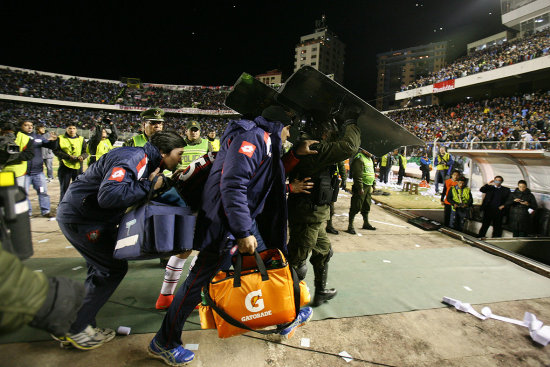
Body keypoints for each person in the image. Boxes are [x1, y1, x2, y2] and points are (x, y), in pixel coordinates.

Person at [150, 106, 314, 366]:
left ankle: (286, 315)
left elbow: (266, 175)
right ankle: (164, 341)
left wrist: (294, 154)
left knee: (272, 263)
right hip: (225, 225)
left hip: (240, 221)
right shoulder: (251, 138)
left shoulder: (264, 140)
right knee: (196, 282)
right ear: (277, 125)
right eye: (288, 128)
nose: (288, 133)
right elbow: (233, 185)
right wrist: (241, 231)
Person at [55, 130, 186, 350]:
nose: (181, 158)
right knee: (111, 269)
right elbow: (109, 196)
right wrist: (150, 186)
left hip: (88, 217)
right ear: (163, 152)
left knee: (99, 270)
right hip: (83, 219)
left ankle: (76, 324)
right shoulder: (134, 157)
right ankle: (75, 328)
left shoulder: (147, 161)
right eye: (179, 153)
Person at [287, 113, 360, 308]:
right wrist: (351, 122)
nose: (331, 134)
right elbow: (349, 147)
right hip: (307, 216)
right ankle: (287, 306)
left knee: (323, 252)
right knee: (296, 263)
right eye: (328, 130)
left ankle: (320, 292)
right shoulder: (313, 149)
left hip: (314, 215)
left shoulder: (311, 146)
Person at [19, 120, 57, 217]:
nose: (29, 127)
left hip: (38, 171)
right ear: (21, 126)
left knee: (42, 192)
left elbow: (49, 145)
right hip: (23, 172)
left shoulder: (38, 137)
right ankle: (27, 213)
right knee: (23, 194)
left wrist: (53, 141)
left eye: (31, 125)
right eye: (26, 125)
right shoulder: (18, 137)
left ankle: (46, 211)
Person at [53, 123, 88, 202]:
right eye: (70, 128)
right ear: (66, 129)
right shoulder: (60, 138)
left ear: (76, 129)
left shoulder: (81, 139)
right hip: (65, 167)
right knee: (64, 188)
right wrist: (68, 157)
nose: (72, 130)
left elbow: (86, 152)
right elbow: (56, 151)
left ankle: (77, 205)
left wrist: (82, 156)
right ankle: (63, 206)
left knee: (78, 188)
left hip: (78, 167)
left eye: (73, 128)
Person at [347, 147, 376, 234]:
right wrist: (360, 188)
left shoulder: (370, 159)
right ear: (364, 150)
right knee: (356, 206)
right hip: (361, 187)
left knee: (367, 205)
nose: (371, 153)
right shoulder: (359, 159)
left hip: (368, 186)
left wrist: (373, 185)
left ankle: (366, 223)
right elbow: (357, 175)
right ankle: (350, 226)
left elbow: (372, 173)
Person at [1, 121, 34, 189]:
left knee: (10, 196)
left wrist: (10, 156)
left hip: (15, 173)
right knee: (14, 196)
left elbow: (29, 155)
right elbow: (29, 155)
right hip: (11, 172)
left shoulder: (25, 138)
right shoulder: (26, 138)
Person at [326, 161, 346, 235]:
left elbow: (341, 165)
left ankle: (329, 225)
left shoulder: (337, 151)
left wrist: (344, 179)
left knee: (331, 203)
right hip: (321, 178)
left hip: (332, 180)